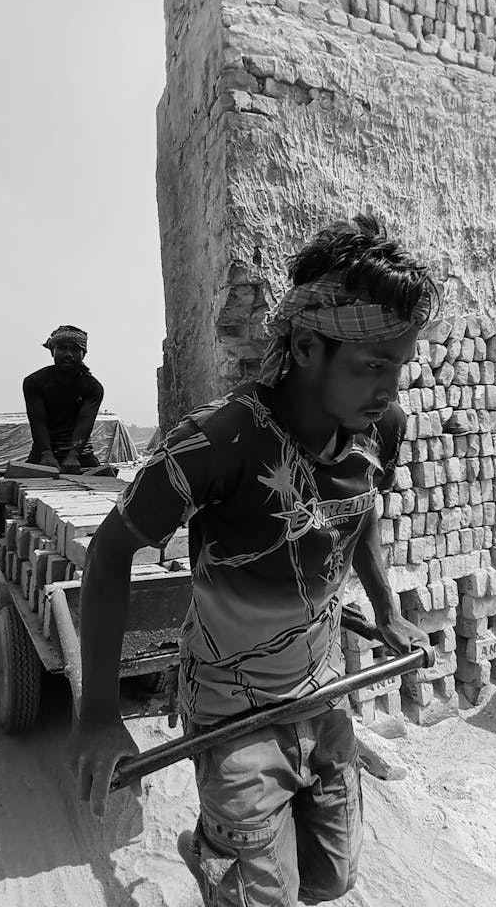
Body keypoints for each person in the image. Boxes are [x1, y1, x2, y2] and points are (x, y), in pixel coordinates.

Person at [68, 213, 438, 906]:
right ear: (305, 347)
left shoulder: (377, 426)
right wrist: (97, 713)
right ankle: (225, 858)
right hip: (230, 710)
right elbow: (113, 550)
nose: (391, 386)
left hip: (321, 695)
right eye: (372, 365)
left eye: (400, 364)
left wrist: (386, 607)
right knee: (259, 896)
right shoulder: (218, 443)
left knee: (332, 879)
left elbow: (360, 511)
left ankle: (223, 857)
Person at [23, 325, 104, 472]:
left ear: (83, 354)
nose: (68, 354)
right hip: (43, 452)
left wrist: (73, 455)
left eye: (74, 349)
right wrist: (46, 454)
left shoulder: (92, 387)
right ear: (52, 352)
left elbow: (85, 423)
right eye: (62, 348)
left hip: (80, 454)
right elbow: (37, 421)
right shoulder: (34, 382)